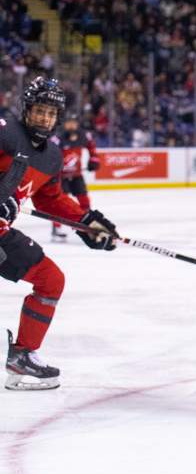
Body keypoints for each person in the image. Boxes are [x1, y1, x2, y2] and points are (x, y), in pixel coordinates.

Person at [2, 77, 118, 391]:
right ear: (26, 109)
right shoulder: (5, 133)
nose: (44, 118)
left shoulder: (51, 156)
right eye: (39, 110)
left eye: (51, 114)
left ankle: (23, 355)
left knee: (50, 279)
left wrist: (87, 223)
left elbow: (50, 199)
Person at [51, 116, 100, 241]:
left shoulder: (83, 135)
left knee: (84, 201)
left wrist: (93, 160)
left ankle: (87, 226)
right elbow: (48, 153)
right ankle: (56, 228)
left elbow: (92, 147)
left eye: (74, 123)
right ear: (64, 124)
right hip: (61, 177)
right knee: (59, 203)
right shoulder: (58, 138)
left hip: (77, 175)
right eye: (69, 123)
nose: (72, 126)